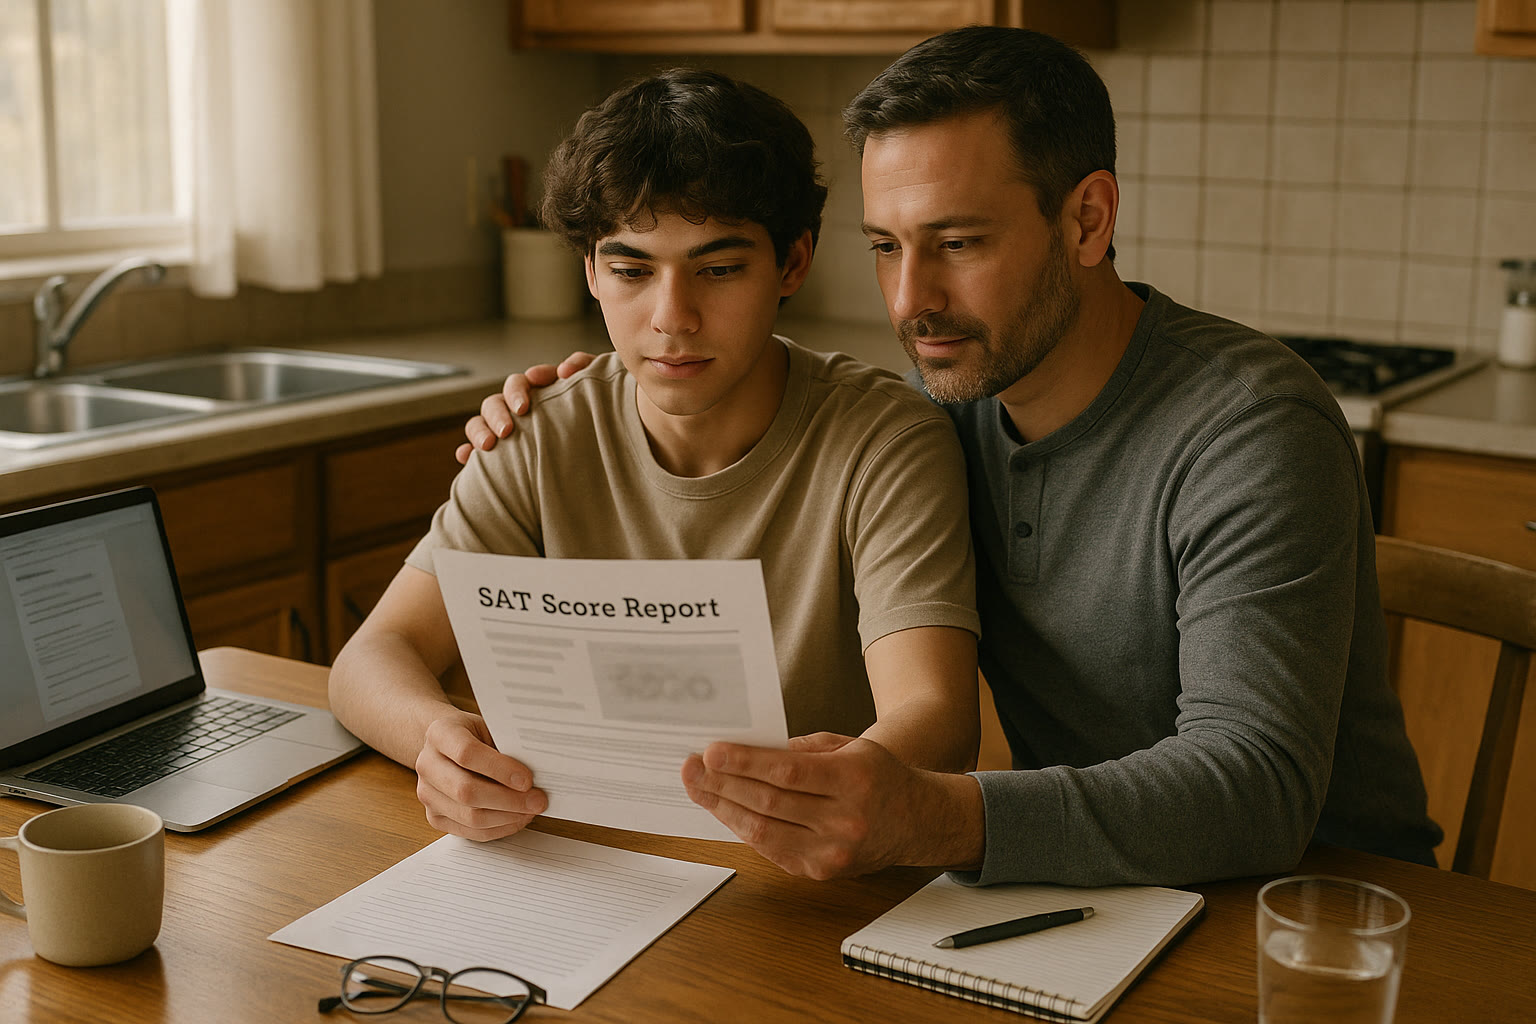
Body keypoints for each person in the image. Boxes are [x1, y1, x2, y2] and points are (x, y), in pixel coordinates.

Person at [458, 27, 1442, 886]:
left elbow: (1255, 788)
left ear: (1088, 221)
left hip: (1327, 914)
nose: (909, 302)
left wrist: (934, 814)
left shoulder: (1249, 428)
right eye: (886, 246)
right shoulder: (947, 406)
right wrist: (599, 384)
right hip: (1095, 896)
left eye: (957, 242)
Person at [329, 68, 982, 843]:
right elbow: (372, 657)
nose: (672, 318)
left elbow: (937, 717)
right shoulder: (538, 432)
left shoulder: (886, 440)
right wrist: (438, 741)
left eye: (719, 269)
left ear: (793, 264)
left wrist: (847, 793)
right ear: (591, 274)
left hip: (796, 873)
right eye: (632, 271)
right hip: (585, 860)